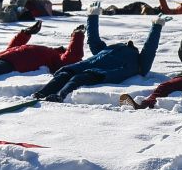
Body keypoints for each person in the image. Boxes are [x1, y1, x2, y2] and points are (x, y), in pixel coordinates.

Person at [33, 7, 166, 102]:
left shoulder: (140, 63)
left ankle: (61, 96)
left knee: (78, 78)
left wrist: (156, 26)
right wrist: (92, 16)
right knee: (64, 74)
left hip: (104, 73)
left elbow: (150, 48)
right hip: (86, 65)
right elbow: (94, 41)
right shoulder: (108, 49)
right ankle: (41, 93)